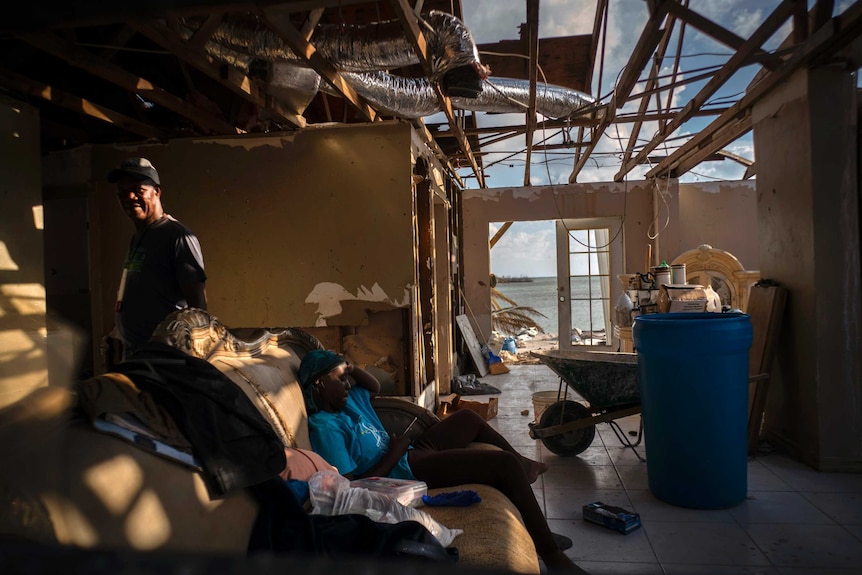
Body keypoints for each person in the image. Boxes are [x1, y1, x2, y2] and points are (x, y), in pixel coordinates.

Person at [299, 349, 588, 573]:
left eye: (347, 377)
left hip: (408, 451)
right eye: (340, 379)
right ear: (320, 384)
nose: (348, 384)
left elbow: (372, 385)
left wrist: (347, 366)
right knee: (502, 465)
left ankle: (524, 463)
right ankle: (552, 555)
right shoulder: (326, 426)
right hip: (402, 471)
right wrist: (395, 453)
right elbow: (354, 485)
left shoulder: (349, 400)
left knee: (467, 418)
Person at [108, 157, 207, 361]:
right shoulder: (138, 237)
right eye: (122, 192)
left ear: (157, 192)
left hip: (164, 359)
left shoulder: (178, 236)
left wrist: (192, 358)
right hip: (134, 354)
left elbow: (198, 307)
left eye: (138, 189)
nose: (129, 196)